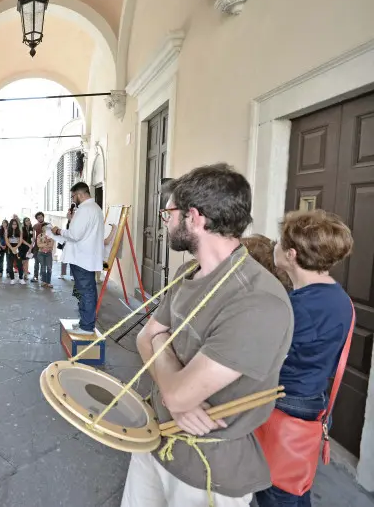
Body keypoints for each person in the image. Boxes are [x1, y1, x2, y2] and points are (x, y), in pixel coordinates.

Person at [123, 163, 293, 507]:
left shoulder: (257, 301)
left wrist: (175, 392)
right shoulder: (191, 272)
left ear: (195, 218)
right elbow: (144, 338)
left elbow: (177, 389)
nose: (165, 220)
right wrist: (175, 397)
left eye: (169, 212)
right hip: (154, 442)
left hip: (209, 472)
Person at [255, 210, 354, 507]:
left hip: (284, 404)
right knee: (294, 485)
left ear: (291, 254)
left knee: (275, 490)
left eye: (278, 242)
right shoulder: (339, 298)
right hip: (313, 401)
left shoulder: (294, 307)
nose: (273, 246)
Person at [49, 183, 105, 334]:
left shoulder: (85, 210)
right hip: (86, 257)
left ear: (80, 195)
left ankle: (86, 327)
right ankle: (84, 322)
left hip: (82, 258)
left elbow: (75, 235)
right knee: (85, 291)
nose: (73, 200)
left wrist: (58, 230)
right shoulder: (95, 208)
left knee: (86, 292)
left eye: (73, 197)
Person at [5, 218, 25, 285]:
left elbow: (20, 241)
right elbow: (7, 241)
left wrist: (15, 247)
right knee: (10, 265)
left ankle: (21, 278)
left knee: (19, 264)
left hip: (18, 248)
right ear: (10, 224)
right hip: (9, 249)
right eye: (13, 224)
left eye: (15, 224)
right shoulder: (7, 231)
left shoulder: (19, 231)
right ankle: (12, 278)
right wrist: (11, 248)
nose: (14, 225)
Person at [36, 222, 55, 288]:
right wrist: (46, 244)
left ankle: (48, 282)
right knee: (43, 267)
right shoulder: (40, 235)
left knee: (49, 268)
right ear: (42, 228)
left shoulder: (51, 236)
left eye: (47, 227)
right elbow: (38, 245)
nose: (46, 228)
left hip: (48, 254)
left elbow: (51, 245)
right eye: (44, 227)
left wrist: (44, 244)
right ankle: (44, 282)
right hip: (41, 254)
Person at [31, 211, 45, 282]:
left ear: (43, 217)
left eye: (41, 217)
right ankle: (35, 277)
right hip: (36, 247)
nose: (40, 218)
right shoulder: (35, 226)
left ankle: (43, 278)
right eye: (38, 217)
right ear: (36, 219)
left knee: (43, 263)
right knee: (36, 263)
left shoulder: (48, 225)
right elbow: (33, 238)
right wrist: (31, 247)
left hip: (45, 247)